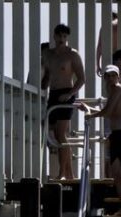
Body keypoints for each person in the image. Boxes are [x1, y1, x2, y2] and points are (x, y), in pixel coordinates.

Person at [81, 65, 121, 215]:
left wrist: (90, 114)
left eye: (113, 75)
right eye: (108, 76)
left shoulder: (118, 88)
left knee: (116, 173)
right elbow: (110, 111)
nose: (111, 78)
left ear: (118, 77)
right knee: (120, 169)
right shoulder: (114, 90)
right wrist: (88, 108)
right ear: (104, 77)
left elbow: (108, 111)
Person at [42, 24, 85, 181]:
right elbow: (47, 75)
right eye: (59, 36)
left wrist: (69, 94)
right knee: (53, 132)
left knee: (61, 133)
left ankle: (63, 173)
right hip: (53, 94)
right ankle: (69, 174)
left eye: (64, 37)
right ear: (54, 36)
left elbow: (82, 79)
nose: (61, 39)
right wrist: (41, 90)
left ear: (67, 38)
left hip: (66, 93)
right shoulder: (48, 54)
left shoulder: (72, 55)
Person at [95, 11, 121, 76]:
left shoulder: (105, 26)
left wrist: (97, 65)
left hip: (110, 57)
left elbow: (99, 47)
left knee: (110, 79)